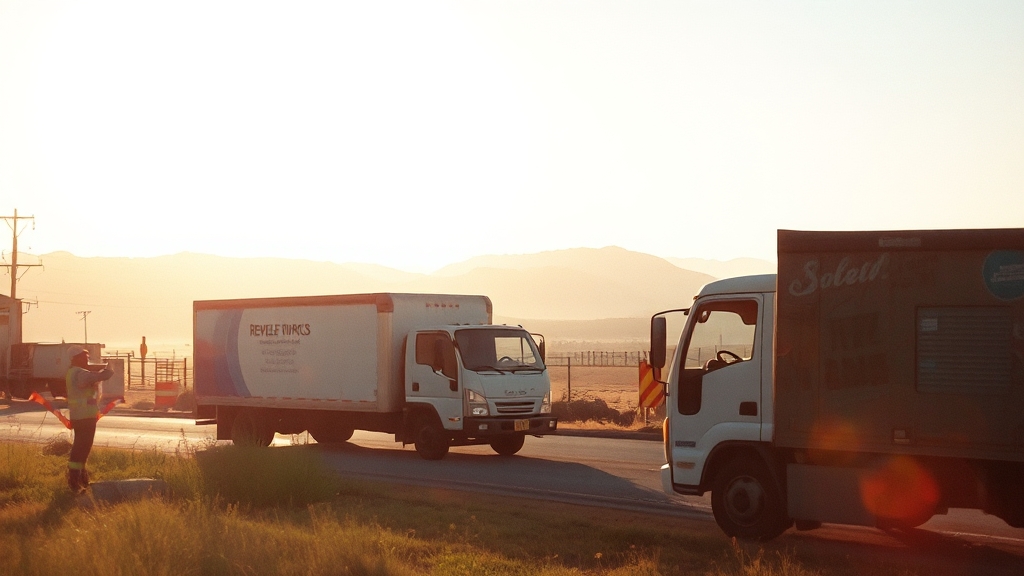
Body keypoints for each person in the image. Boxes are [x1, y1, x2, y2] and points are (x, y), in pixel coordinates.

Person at [65, 345, 113, 493]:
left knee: (82, 448)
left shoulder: (73, 372)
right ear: (77, 358)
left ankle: (81, 480)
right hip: (84, 417)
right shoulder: (80, 374)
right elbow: (102, 376)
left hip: (81, 416)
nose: (87, 359)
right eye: (85, 357)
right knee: (82, 448)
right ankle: (75, 482)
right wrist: (110, 367)